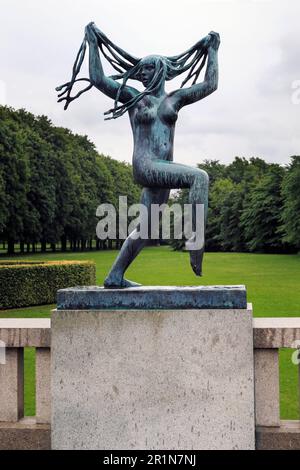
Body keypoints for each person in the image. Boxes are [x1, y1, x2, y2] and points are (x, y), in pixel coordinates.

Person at [57, 23, 220, 288]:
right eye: (140, 69)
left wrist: (212, 49)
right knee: (199, 178)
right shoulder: (135, 98)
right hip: (145, 166)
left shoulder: (174, 100)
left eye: (147, 69)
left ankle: (115, 276)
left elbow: (210, 84)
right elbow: (99, 79)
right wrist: (93, 43)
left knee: (146, 229)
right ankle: (196, 245)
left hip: (161, 171)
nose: (142, 74)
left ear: (160, 72)